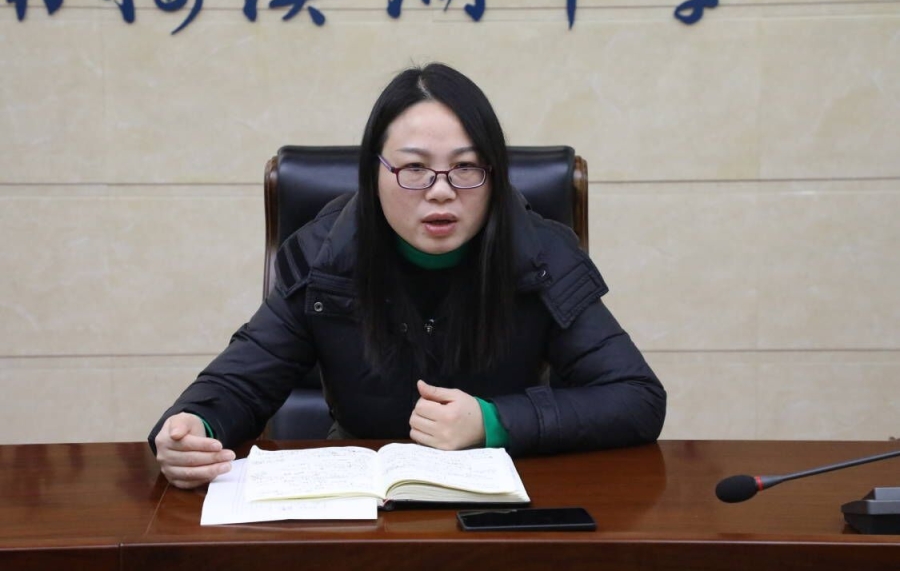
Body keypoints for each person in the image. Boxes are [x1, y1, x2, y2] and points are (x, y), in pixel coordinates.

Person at [149, 63, 666, 489]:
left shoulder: (539, 254)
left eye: (466, 168)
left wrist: (494, 421)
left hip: (506, 495)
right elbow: (241, 381)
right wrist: (194, 424)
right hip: (360, 501)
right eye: (413, 168)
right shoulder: (324, 257)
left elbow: (636, 397)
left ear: (494, 176)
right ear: (373, 173)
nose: (440, 191)